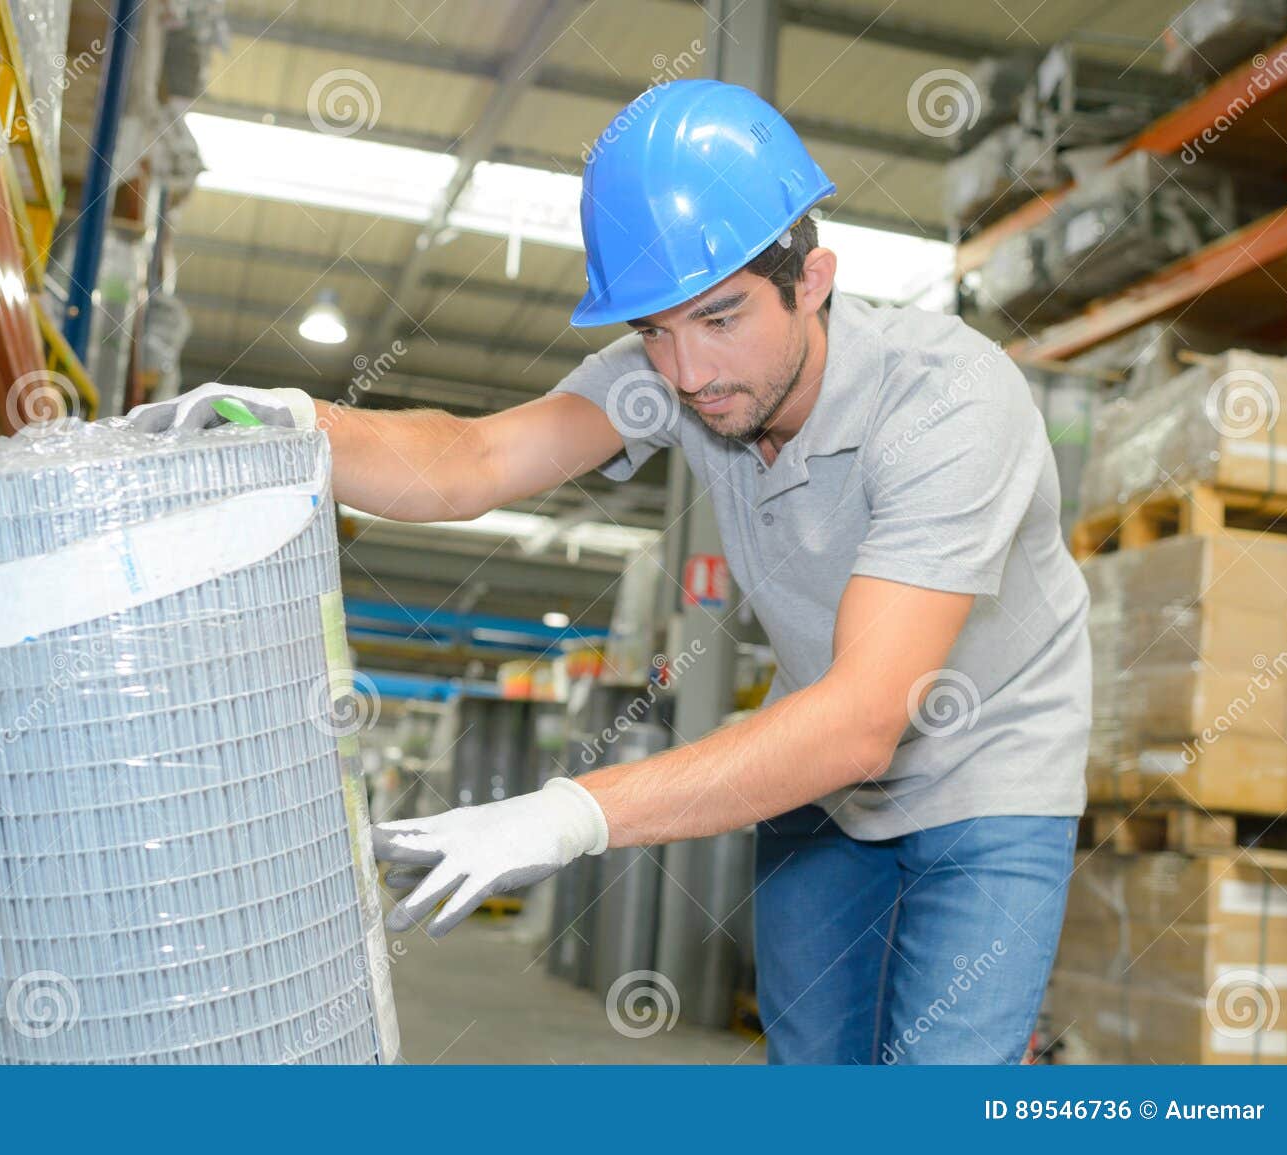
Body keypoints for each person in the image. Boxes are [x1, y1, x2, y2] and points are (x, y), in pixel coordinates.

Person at [131, 79, 1090, 1065]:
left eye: (720, 319)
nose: (685, 374)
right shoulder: (685, 378)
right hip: (823, 784)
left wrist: (570, 812)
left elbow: (861, 720)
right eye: (653, 332)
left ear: (814, 280)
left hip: (987, 769)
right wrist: (300, 424)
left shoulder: (947, 407)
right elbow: (478, 460)